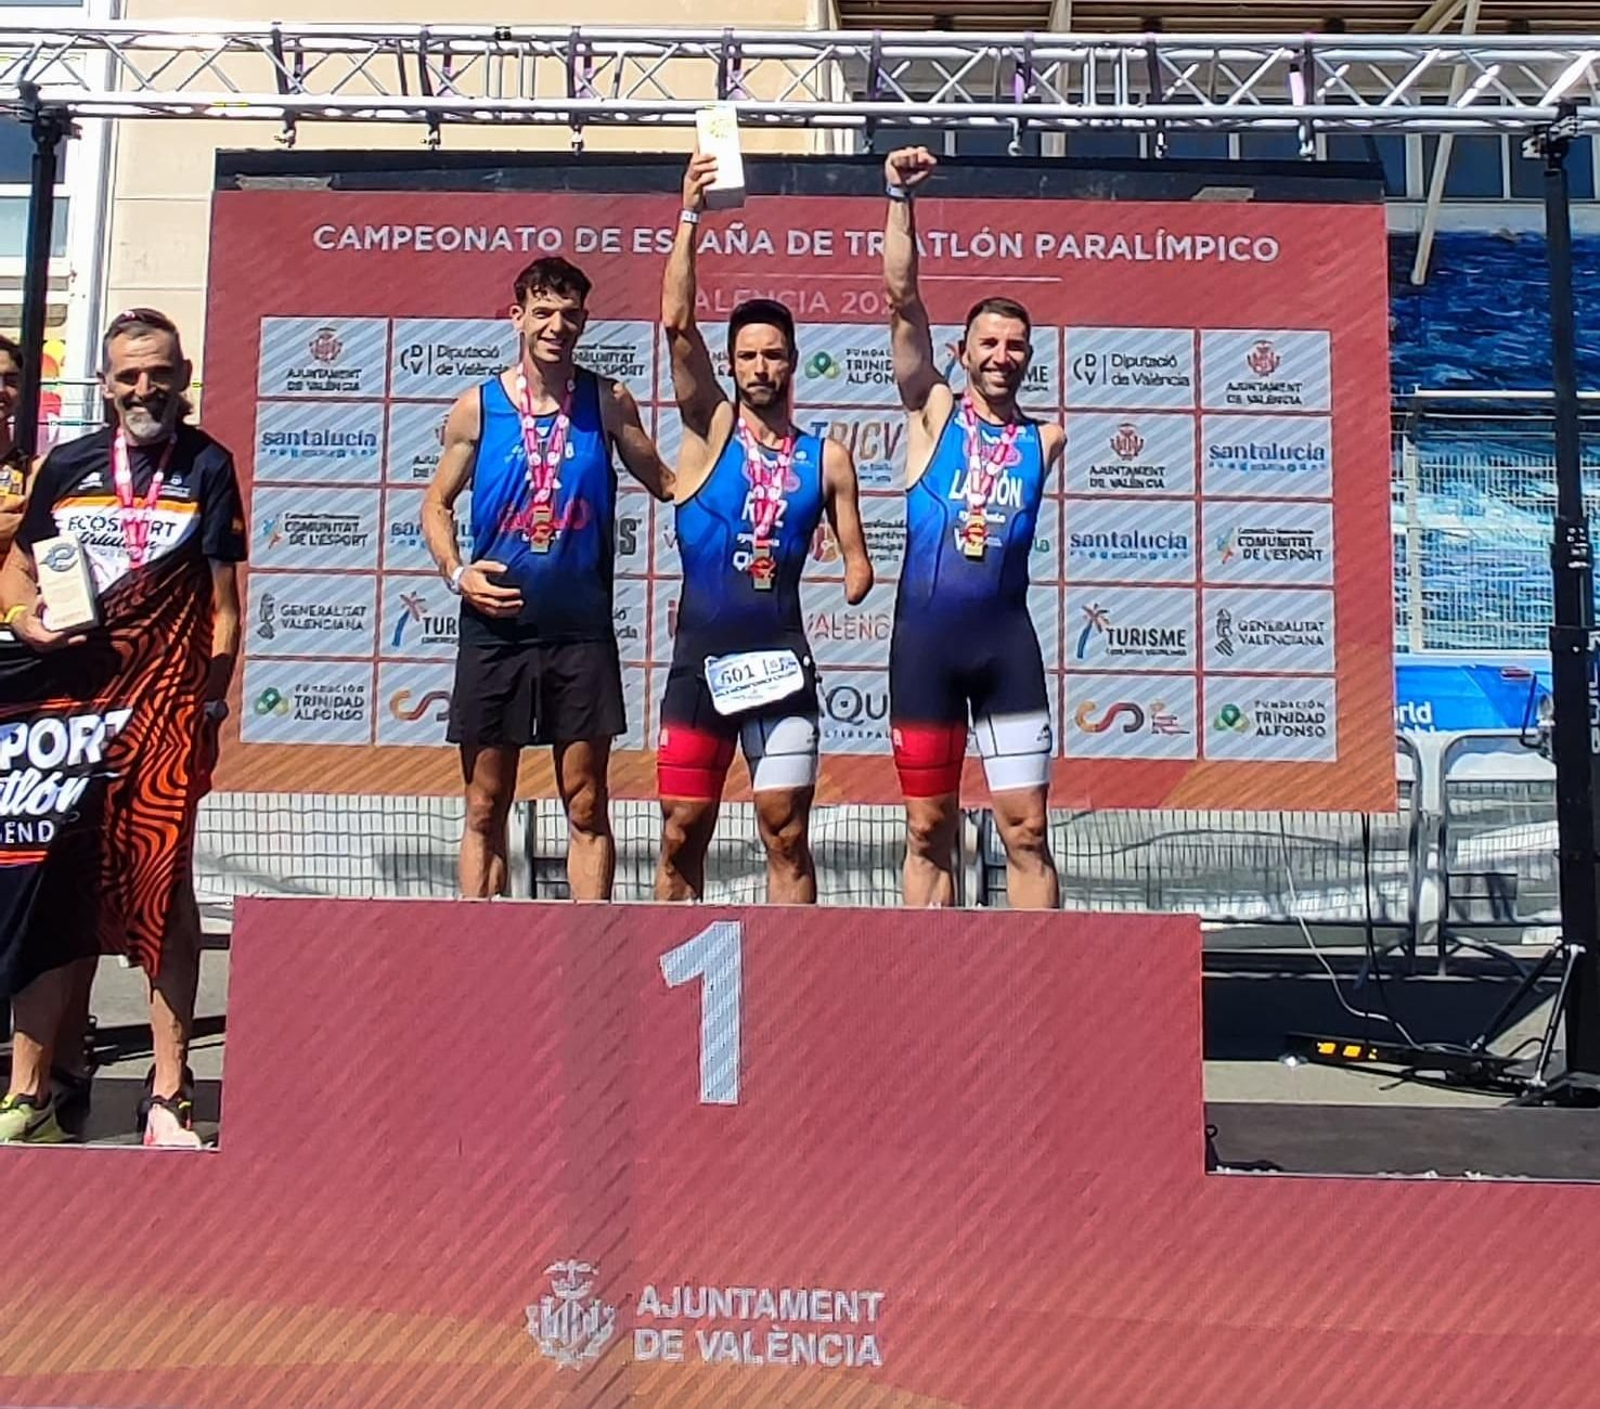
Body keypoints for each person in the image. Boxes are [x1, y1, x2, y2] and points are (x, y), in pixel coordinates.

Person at [0, 307, 244, 1145]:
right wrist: (24, 619)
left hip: (162, 713)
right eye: (130, 375)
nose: (146, 388)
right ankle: (29, 1090)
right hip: (66, 710)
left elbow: (223, 608)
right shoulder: (68, 465)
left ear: (184, 377)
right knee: (49, 885)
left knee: (162, 888)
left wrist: (209, 703)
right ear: (105, 385)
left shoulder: (207, 464)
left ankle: (169, 1092)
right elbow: (17, 567)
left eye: (160, 372)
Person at [656, 153, 872, 903]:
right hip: (700, 663)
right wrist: (690, 215)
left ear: (793, 363)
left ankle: (792, 968)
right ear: (731, 364)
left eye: (772, 355)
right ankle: (670, 970)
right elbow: (676, 323)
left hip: (780, 662)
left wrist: (857, 571)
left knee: (784, 831)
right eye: (746, 356)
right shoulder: (709, 429)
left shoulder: (827, 456)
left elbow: (857, 563)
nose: (759, 367)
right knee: (682, 830)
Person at [424, 256, 672, 901]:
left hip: (578, 633)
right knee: (485, 805)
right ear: (518, 318)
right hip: (496, 630)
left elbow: (668, 483)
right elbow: (435, 505)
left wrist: (734, 448)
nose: (555, 326)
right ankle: (480, 940)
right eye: (542, 313)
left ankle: (593, 942)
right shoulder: (478, 407)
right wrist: (457, 573)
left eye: (569, 314)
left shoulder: (608, 401)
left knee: (586, 803)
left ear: (584, 321)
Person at [881, 146, 1062, 910]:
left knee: (1027, 831)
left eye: (1014, 345)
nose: (1001, 356)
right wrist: (899, 199)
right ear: (961, 354)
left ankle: (1044, 978)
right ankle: (929, 978)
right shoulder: (932, 411)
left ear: (1028, 357)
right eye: (987, 343)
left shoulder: (1045, 439)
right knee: (929, 829)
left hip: (1004, 651)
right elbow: (903, 301)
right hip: (925, 648)